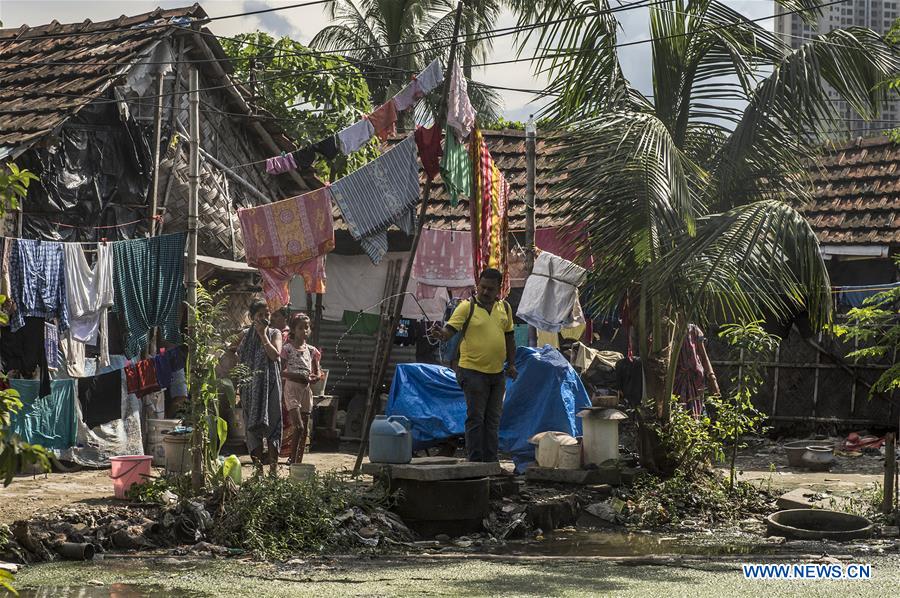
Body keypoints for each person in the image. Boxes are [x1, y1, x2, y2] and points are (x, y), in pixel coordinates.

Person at [432, 268, 517, 463]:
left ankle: (491, 463)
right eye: (483, 287)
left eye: (490, 289)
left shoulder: (505, 308)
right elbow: (449, 330)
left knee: (493, 420)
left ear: (499, 289)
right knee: (476, 419)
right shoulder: (466, 307)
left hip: (497, 374)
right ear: (477, 286)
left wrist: (511, 364)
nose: (486, 292)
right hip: (472, 372)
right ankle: (476, 463)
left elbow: (509, 338)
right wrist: (440, 334)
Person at [238, 299, 283, 474]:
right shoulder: (245, 335)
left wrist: (263, 335)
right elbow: (233, 351)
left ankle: (273, 470)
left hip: (270, 385)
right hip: (250, 388)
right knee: (252, 428)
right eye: (260, 315)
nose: (264, 318)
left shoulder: (274, 333)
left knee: (273, 424)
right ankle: (258, 470)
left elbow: (274, 355)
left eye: (267, 315)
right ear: (252, 317)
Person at [281, 313, 321, 464]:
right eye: (300, 328)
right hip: (292, 388)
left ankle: (298, 461)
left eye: (307, 327)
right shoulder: (287, 349)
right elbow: (281, 371)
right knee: (298, 426)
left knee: (304, 430)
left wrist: (315, 378)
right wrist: (298, 376)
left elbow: (317, 373)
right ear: (293, 329)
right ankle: (292, 459)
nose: (304, 331)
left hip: (306, 390)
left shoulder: (312, 351)